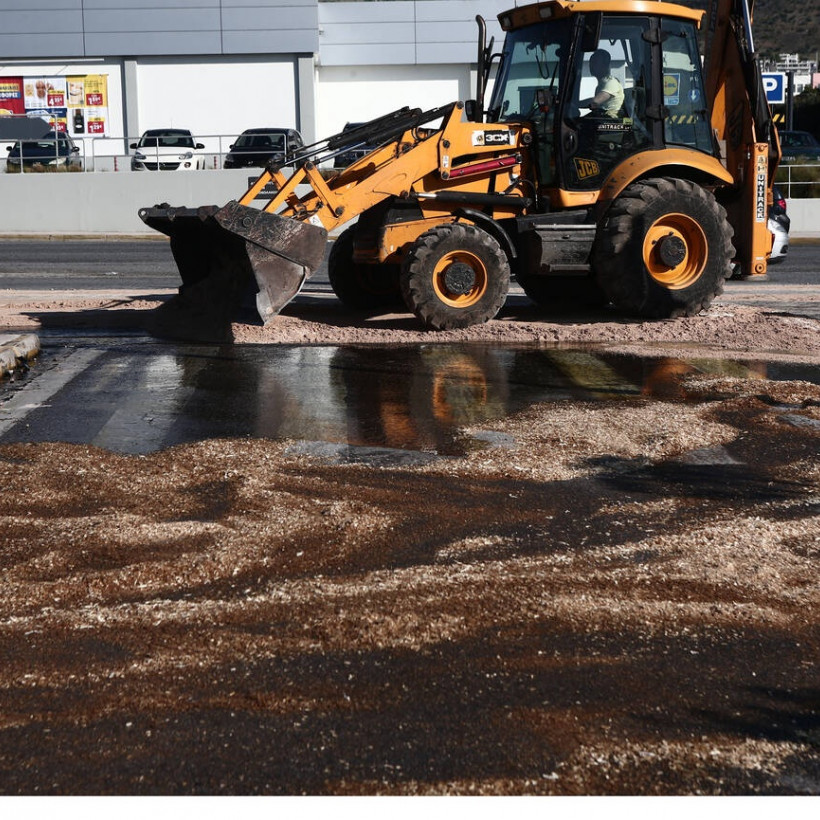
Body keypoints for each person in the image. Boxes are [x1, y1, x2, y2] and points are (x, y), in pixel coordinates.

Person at [580, 49, 624, 117]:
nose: (591, 65)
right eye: (591, 62)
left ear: (605, 65)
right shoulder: (602, 83)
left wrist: (574, 104)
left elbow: (595, 102)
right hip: (601, 117)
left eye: (595, 62)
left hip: (609, 120)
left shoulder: (611, 83)